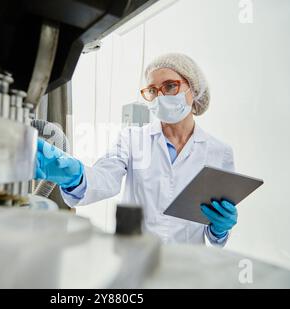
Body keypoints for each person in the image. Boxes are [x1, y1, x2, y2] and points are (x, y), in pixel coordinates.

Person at [35, 53, 237, 246]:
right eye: (152, 90)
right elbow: (105, 177)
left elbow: (214, 234)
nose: (160, 97)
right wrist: (74, 175)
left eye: (169, 86)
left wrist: (220, 229)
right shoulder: (132, 138)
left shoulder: (219, 152)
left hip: (187, 267)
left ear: (193, 89)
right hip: (136, 259)